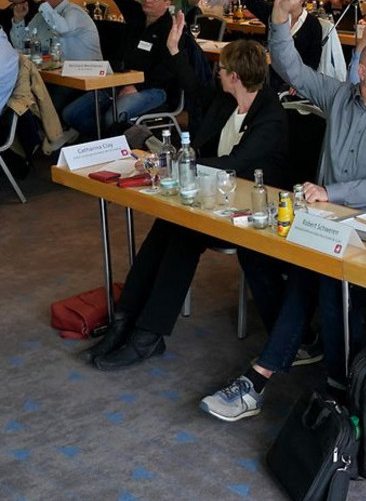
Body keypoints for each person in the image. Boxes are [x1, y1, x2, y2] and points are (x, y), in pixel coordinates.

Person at [200, 0, 366, 421]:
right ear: (361, 71)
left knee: (321, 277)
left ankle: (283, 380)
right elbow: (290, 69)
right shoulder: (340, 97)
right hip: (332, 218)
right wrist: (280, 16)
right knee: (276, 257)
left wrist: (330, 192)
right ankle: (304, 378)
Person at [86, 19, 289, 370]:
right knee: (164, 229)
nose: (217, 74)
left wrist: (178, 165)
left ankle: (149, 335)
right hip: (215, 199)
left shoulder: (270, 115)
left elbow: (235, 163)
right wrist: (175, 48)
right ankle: (126, 320)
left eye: (222, 70)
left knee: (180, 235)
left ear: (236, 77)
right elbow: (193, 86)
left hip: (252, 209)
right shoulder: (227, 102)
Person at [62, 0, 183, 137]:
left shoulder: (170, 28)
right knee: (71, 113)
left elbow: (167, 70)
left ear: (167, 4)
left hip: (152, 89)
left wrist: (137, 85)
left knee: (112, 118)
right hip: (119, 79)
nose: (149, 0)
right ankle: (104, 141)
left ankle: (110, 141)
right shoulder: (136, 15)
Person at [243, 0, 323, 91]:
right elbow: (251, 2)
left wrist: (302, 81)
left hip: (297, 80)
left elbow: (313, 60)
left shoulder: (313, 24)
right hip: (271, 75)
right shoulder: (273, 15)